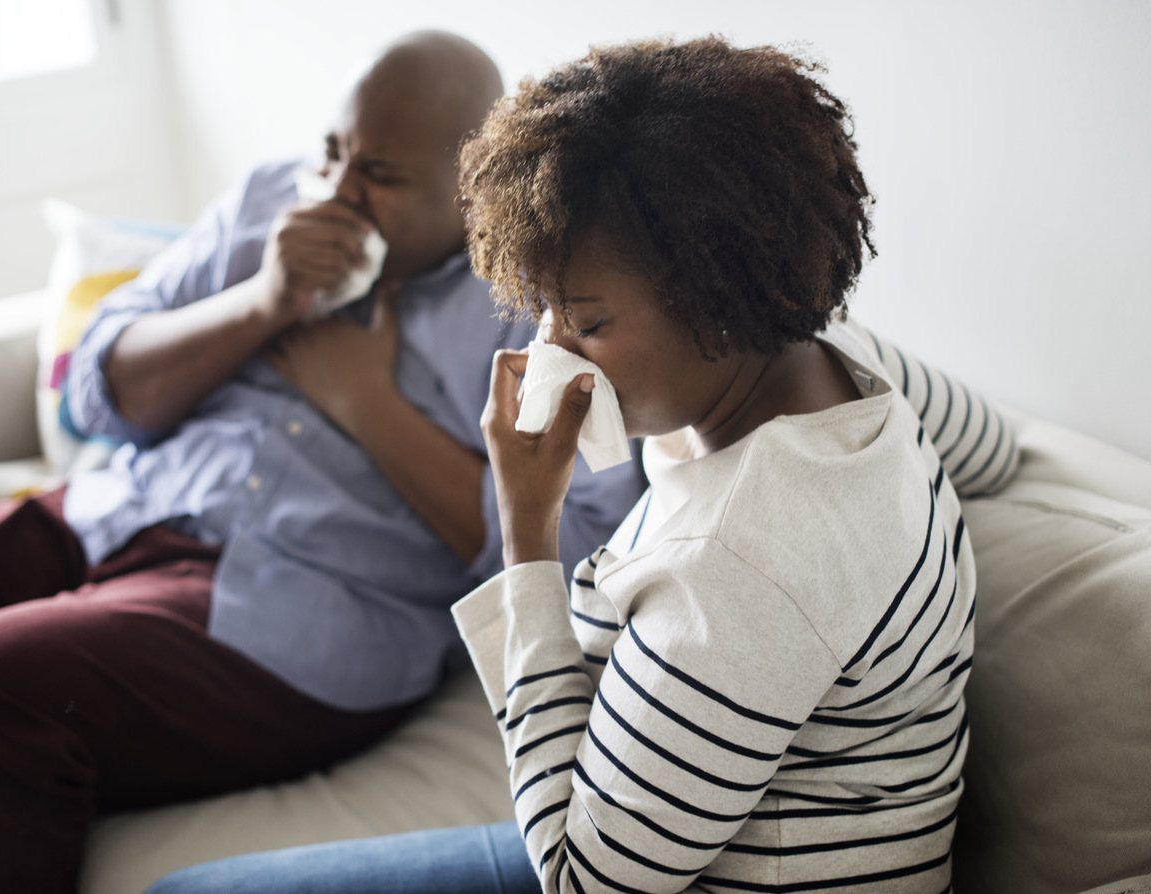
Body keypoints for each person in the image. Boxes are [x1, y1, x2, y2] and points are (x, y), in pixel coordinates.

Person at [146, 35, 1021, 894]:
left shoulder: (742, 566)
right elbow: (994, 444)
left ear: (717, 304)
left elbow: (580, 878)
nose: (548, 349)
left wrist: (527, 534)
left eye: (587, 322)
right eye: (544, 309)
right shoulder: (837, 351)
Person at [0, 31, 648, 894]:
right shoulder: (268, 202)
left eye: (380, 176)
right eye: (332, 153)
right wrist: (261, 304)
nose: (338, 194)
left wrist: (368, 405)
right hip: (122, 509)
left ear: (474, 190)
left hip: (295, 608)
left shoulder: (541, 305)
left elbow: (574, 558)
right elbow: (91, 392)